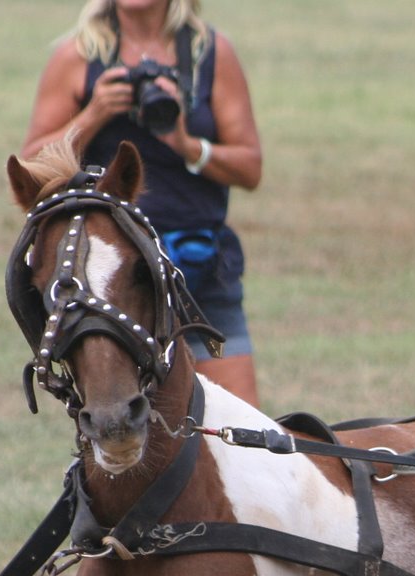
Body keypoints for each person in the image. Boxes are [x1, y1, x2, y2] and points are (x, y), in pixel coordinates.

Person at [23, 0, 263, 405]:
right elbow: (30, 170)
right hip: (111, 269)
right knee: (119, 412)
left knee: (241, 422)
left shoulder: (211, 54)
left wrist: (188, 145)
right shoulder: (77, 55)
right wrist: (95, 113)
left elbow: (250, 168)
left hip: (197, 262)